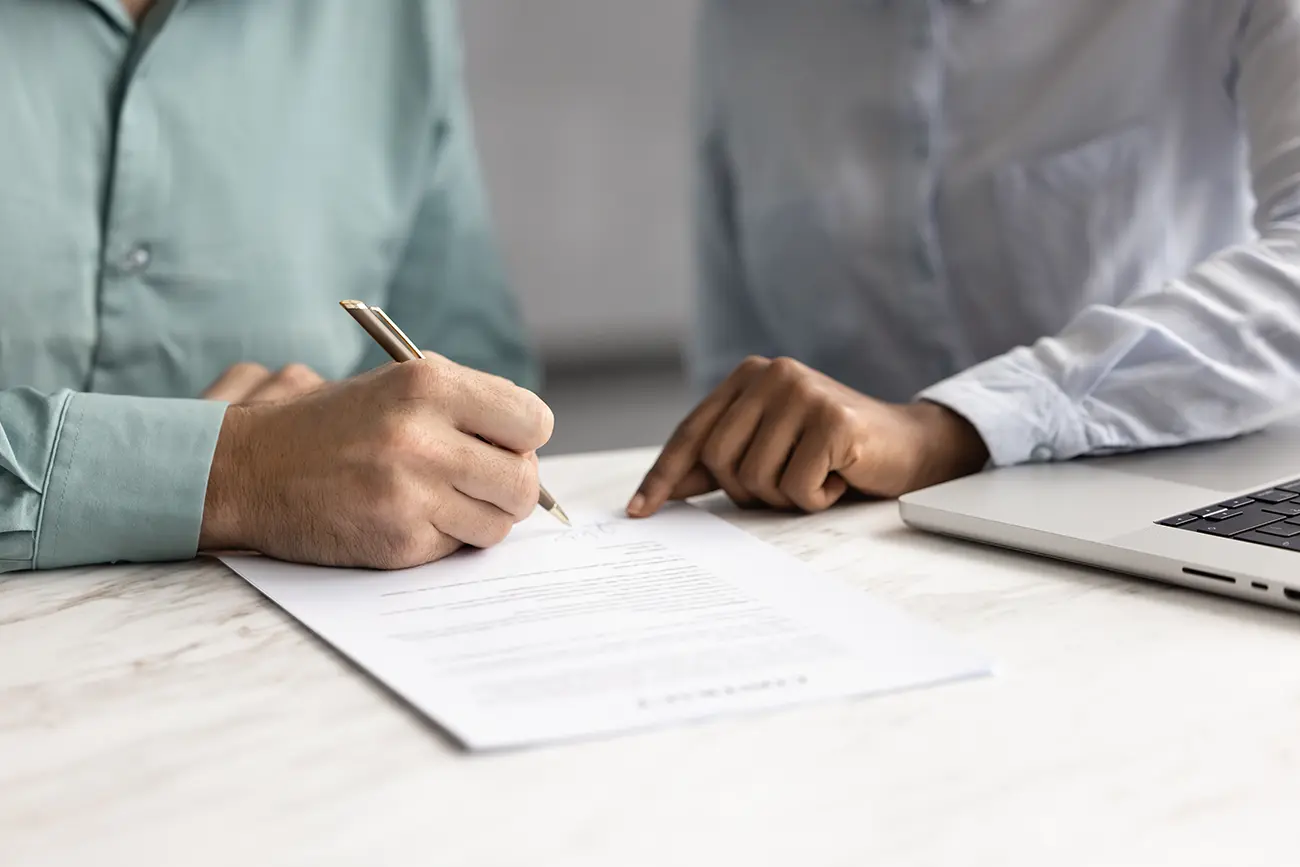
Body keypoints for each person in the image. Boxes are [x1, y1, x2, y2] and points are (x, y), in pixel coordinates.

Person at [629, 1, 1300, 518]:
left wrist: (947, 429)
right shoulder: (747, 21)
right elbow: (735, 361)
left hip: (1155, 523)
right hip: (830, 554)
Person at [0, 0, 554, 574]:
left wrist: (433, 448)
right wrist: (237, 469)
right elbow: (253, 467)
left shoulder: (393, 16)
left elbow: (469, 367)